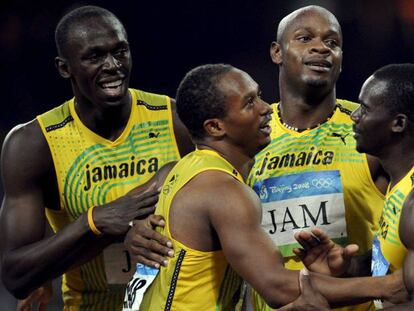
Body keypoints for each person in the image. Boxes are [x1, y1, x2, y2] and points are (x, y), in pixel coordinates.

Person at [123, 63, 405, 311]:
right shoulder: (221, 189)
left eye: (258, 96)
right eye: (249, 103)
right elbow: (278, 288)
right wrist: (387, 286)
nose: (264, 108)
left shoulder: (186, 169)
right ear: (215, 127)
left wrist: (133, 226)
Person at [0, 5, 193, 310]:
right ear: (65, 68)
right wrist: (95, 222)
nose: (113, 65)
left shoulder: (176, 120)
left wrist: (126, 220)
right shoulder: (32, 144)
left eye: (121, 52)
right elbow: (15, 275)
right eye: (94, 57)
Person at [245, 5, 388, 311]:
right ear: (277, 52)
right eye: (305, 38)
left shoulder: (369, 129)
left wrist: (353, 267)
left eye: (332, 43)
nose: (321, 47)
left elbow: (403, 237)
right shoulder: (248, 134)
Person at [294, 63, 414, 310]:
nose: (354, 115)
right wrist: (351, 267)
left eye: (365, 109)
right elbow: (398, 264)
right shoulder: (399, 183)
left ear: (398, 124)